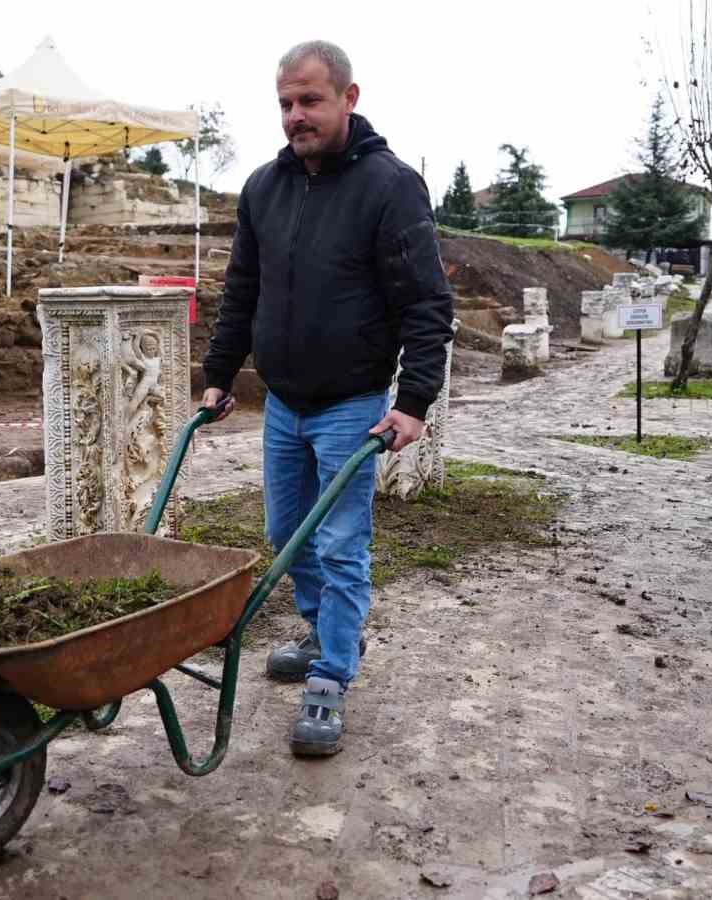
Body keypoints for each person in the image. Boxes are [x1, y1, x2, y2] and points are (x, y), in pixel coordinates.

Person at [200, 40, 454, 756]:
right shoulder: (263, 189)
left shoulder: (389, 186)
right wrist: (220, 374)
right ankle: (320, 632)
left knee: (342, 544)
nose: (295, 116)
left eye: (310, 100)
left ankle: (333, 674)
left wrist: (414, 401)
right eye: (285, 103)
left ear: (349, 97)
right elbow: (241, 289)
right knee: (286, 536)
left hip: (350, 404)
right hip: (284, 403)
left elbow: (427, 303)